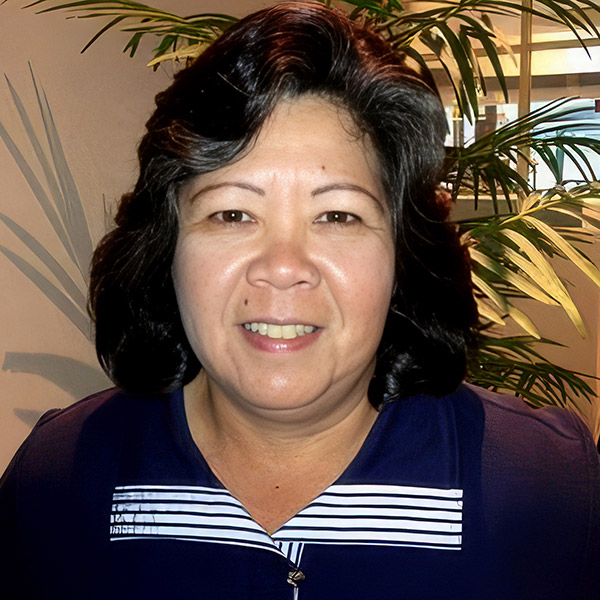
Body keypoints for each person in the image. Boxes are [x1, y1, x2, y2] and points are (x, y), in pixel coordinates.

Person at [1, 2, 598, 598]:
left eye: (337, 215)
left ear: (402, 254)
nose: (283, 268)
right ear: (167, 247)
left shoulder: (551, 485)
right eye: (232, 214)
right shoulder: (56, 478)